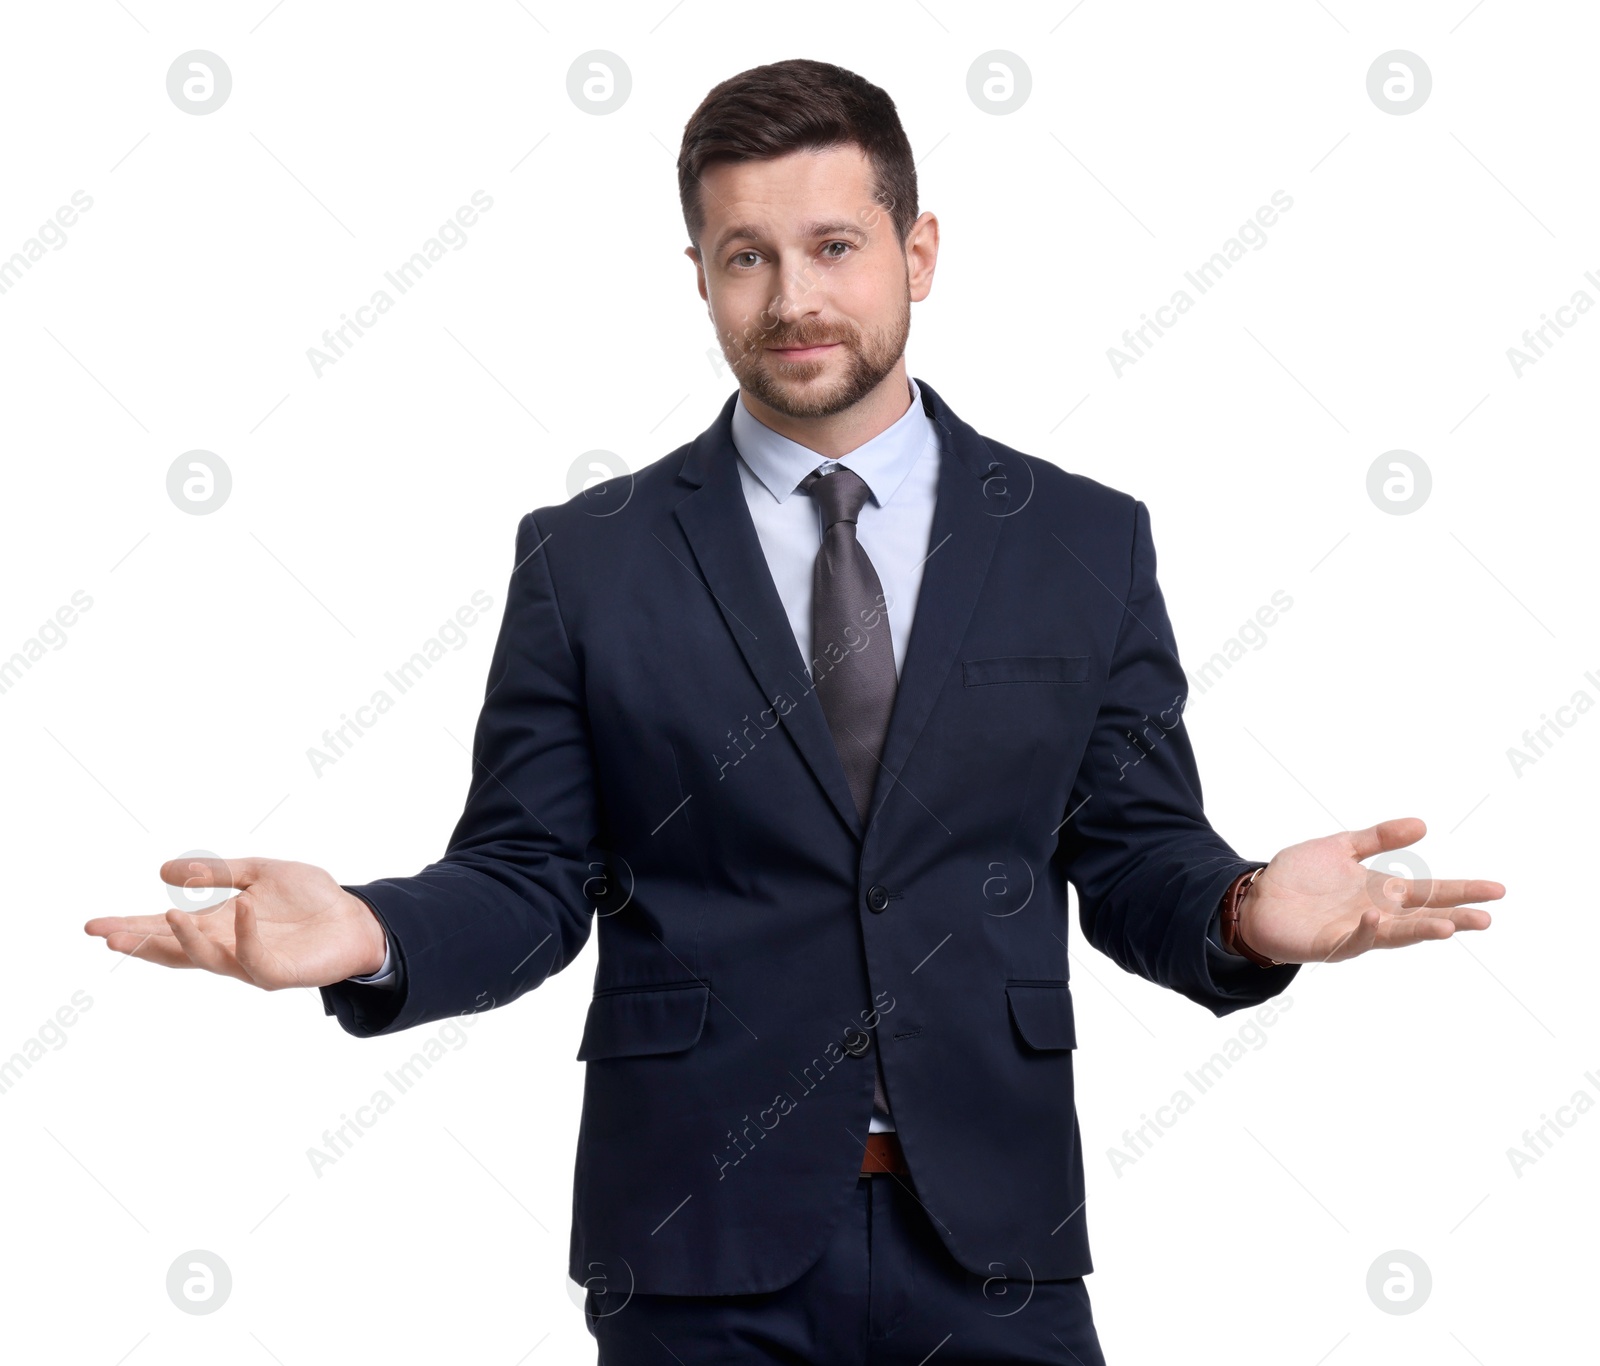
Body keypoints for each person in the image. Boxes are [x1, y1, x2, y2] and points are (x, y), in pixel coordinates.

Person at [85, 58, 1504, 1365]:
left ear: (918, 252)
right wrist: (378, 931)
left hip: (996, 1238)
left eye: (833, 247)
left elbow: (1132, 853)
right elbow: (529, 871)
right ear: (697, 275)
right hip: (698, 1245)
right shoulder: (590, 558)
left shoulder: (1081, 540)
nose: (790, 298)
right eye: (743, 256)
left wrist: (1249, 908)